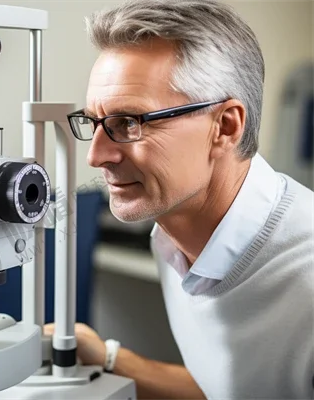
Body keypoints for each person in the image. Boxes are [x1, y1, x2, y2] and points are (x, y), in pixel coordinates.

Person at [44, 0, 314, 399]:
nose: (96, 155)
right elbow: (228, 390)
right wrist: (106, 358)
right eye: (95, 123)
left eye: (129, 122)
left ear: (225, 126)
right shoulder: (170, 238)